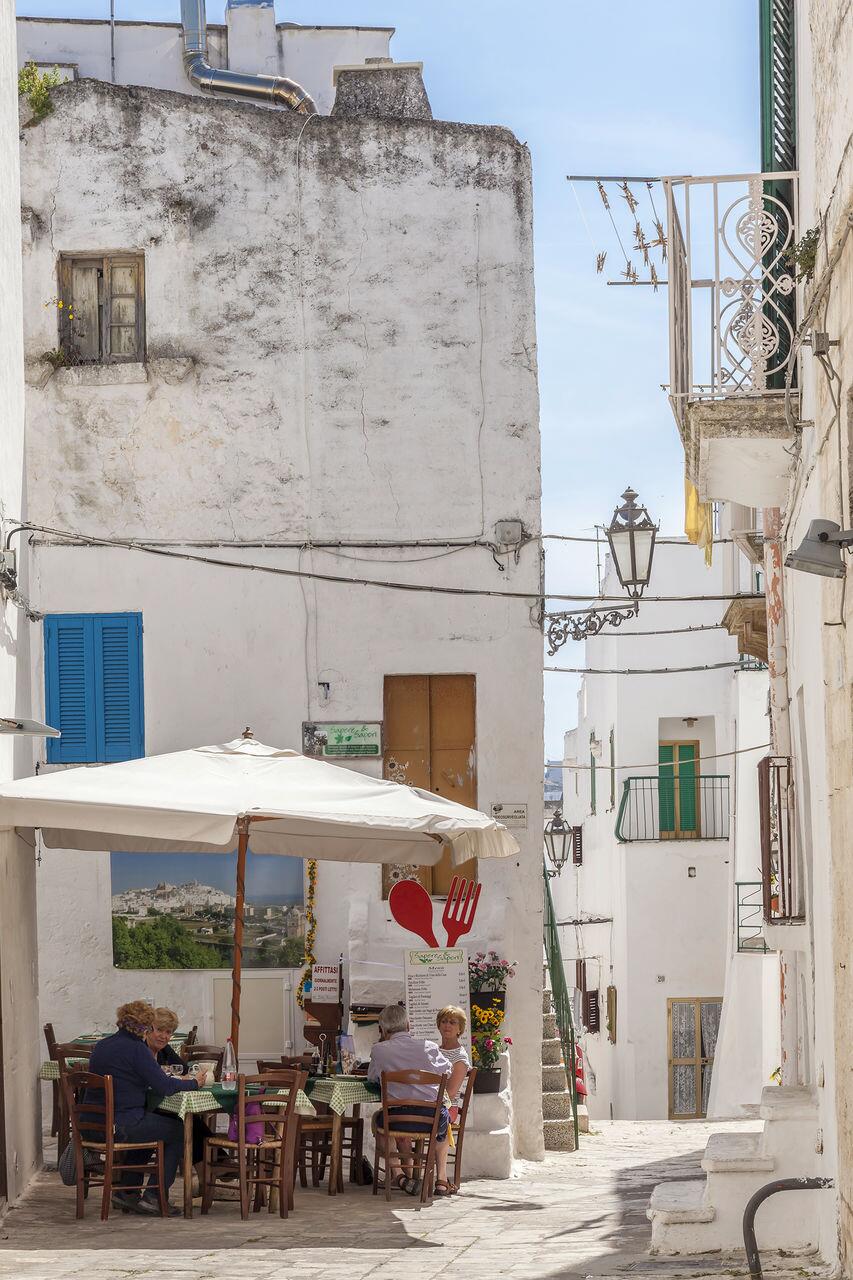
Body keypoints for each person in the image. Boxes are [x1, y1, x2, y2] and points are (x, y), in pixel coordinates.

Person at [88, 1000, 209, 1216]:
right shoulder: (136, 1049)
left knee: (152, 1127)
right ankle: (154, 1197)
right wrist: (194, 1083)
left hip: (93, 1124)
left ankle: (127, 1191)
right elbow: (164, 1086)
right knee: (178, 1130)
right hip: (120, 1124)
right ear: (145, 1028)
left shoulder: (101, 1046)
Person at [368, 1003, 453, 1197]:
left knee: (380, 1122)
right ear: (408, 1024)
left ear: (383, 1028)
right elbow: (446, 1071)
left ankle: (399, 1175)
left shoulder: (379, 1050)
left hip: (397, 1118)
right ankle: (440, 1180)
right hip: (430, 1119)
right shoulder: (429, 1047)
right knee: (444, 1119)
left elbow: (372, 1078)